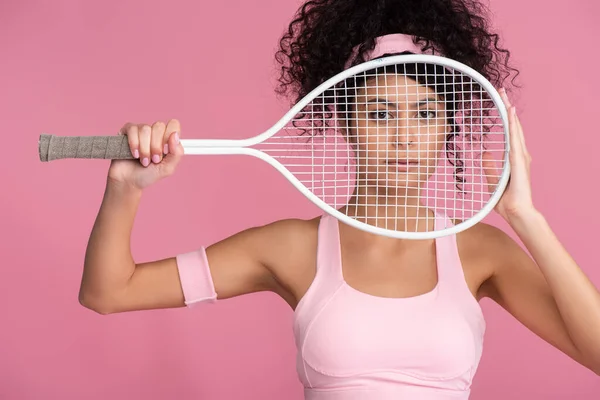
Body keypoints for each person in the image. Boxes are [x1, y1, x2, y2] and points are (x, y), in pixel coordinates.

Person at [79, 0, 600, 398]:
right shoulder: (289, 248)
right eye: (379, 113)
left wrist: (526, 218)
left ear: (449, 125)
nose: (404, 137)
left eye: (425, 113)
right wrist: (124, 189)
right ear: (344, 121)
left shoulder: (481, 252)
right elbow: (110, 292)